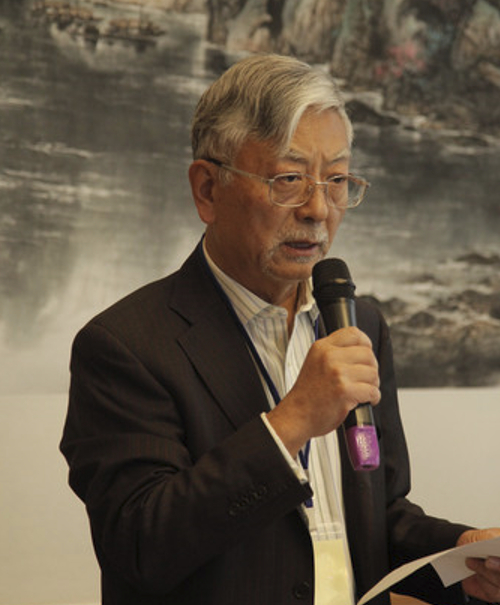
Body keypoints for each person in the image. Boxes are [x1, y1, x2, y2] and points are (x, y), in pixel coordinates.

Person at [60, 53, 500, 605]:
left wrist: (462, 554)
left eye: (336, 180)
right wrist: (290, 423)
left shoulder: (358, 323)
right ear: (208, 189)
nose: (318, 209)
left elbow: (375, 516)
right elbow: (141, 547)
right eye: (288, 179)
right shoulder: (127, 346)